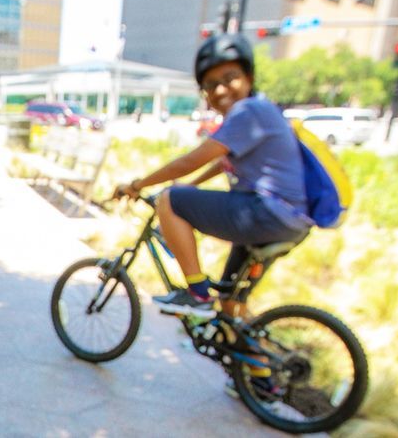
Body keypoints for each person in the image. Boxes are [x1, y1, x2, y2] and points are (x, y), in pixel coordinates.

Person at [113, 33, 313, 318]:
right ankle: (256, 361)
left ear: (249, 76)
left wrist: (137, 185)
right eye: (210, 85)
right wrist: (191, 186)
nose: (219, 90)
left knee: (170, 200)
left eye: (229, 78)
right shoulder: (260, 111)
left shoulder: (249, 110)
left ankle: (196, 294)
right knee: (231, 304)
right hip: (286, 220)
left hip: (267, 213)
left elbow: (191, 160)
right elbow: (222, 163)